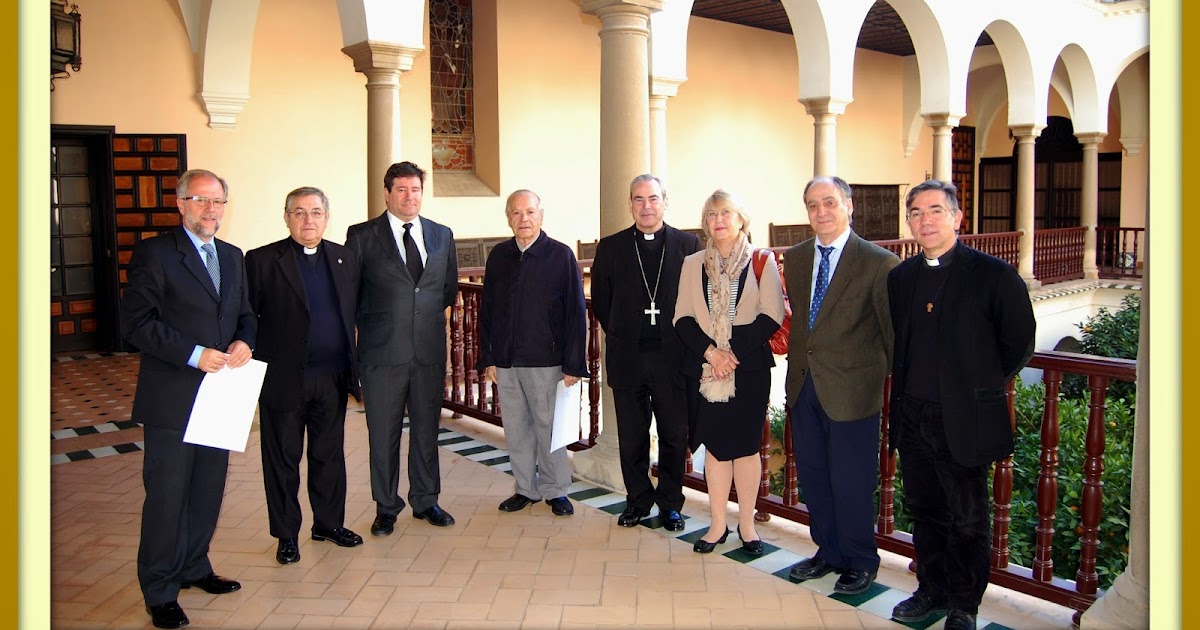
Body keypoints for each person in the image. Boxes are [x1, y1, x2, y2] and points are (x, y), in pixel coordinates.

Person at [887, 180, 1035, 630]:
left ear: (956, 217)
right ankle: (930, 589)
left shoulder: (994, 275)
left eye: (935, 210)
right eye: (915, 212)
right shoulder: (902, 278)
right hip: (913, 414)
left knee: (967, 518)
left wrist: (975, 387)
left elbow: (1019, 343)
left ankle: (963, 605)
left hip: (963, 418)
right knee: (925, 509)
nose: (925, 220)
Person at [121, 169, 256, 629]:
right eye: (201, 200)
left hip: (222, 395)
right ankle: (159, 590)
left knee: (206, 490)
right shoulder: (155, 254)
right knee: (167, 496)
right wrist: (194, 355)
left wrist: (244, 342)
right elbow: (136, 323)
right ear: (180, 204)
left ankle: (195, 567)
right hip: (173, 395)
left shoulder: (233, 257)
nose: (211, 210)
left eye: (218, 202)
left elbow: (245, 315)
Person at [783, 176, 899, 595]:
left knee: (851, 481)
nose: (821, 212)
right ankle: (828, 551)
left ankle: (861, 559)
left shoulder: (878, 262)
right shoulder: (795, 259)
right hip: (803, 387)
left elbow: (891, 336)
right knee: (814, 477)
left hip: (853, 392)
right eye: (812, 205)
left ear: (849, 205)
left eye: (829, 203)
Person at [245, 187, 363, 565]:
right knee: (282, 459)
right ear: (286, 217)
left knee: (329, 456)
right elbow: (247, 317)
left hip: (332, 377)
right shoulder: (262, 261)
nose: (308, 220)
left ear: (327, 217)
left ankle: (328, 524)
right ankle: (286, 535)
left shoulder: (345, 258)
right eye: (299, 212)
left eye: (315, 212)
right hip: (284, 380)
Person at [346, 161, 460, 535]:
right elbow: (352, 296)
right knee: (383, 434)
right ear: (387, 193)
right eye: (401, 190)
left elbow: (446, 289)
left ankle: (426, 500)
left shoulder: (442, 235)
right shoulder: (362, 236)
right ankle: (386, 507)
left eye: (415, 190)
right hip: (381, 354)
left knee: (427, 431)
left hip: (427, 352)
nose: (409, 197)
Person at [673, 190, 785, 555]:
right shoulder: (692, 264)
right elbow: (683, 317)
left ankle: (748, 526)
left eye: (725, 213)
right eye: (710, 214)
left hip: (748, 368)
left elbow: (772, 315)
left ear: (741, 219)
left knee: (747, 448)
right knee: (717, 448)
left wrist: (731, 352)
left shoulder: (761, 260)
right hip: (708, 370)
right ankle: (717, 524)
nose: (717, 220)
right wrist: (712, 352)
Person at [590, 174, 702, 530]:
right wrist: (625, 333)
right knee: (632, 435)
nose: (646, 206)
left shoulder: (688, 245)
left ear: (665, 202)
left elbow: (698, 300)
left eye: (653, 198)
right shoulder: (611, 247)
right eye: (638, 199)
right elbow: (602, 303)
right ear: (630, 204)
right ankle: (637, 499)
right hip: (628, 358)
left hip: (673, 359)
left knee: (673, 435)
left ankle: (670, 502)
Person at [478, 190, 589, 516]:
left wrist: (572, 363)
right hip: (507, 360)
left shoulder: (560, 255)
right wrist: (488, 357)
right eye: (516, 213)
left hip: (547, 360)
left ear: (541, 216)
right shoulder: (499, 256)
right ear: (508, 218)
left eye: (529, 212)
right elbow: (488, 311)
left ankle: (556, 490)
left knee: (549, 428)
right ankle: (525, 488)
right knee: (516, 428)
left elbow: (575, 312)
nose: (523, 219)